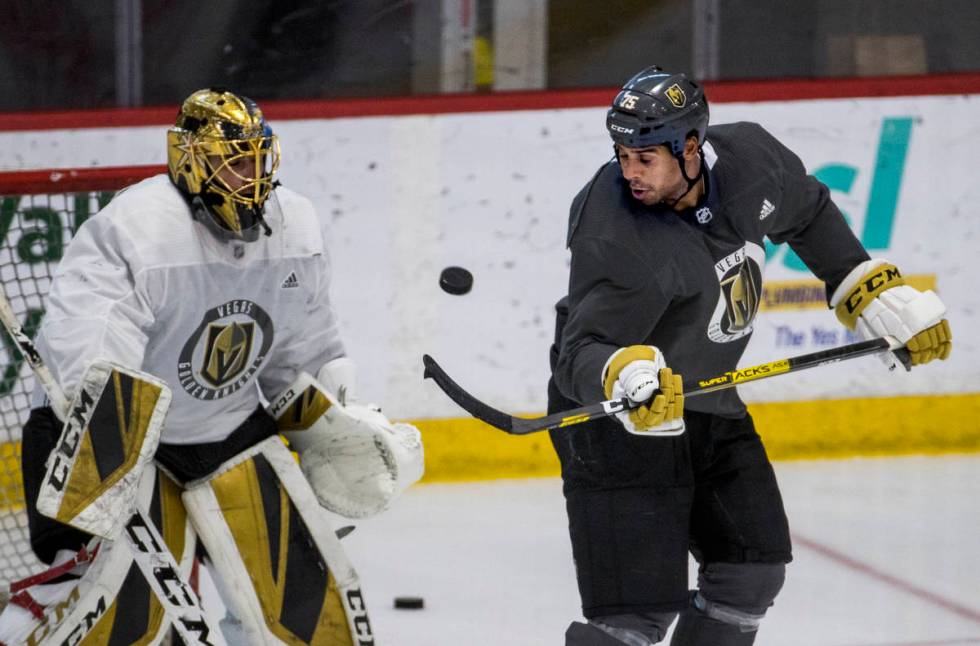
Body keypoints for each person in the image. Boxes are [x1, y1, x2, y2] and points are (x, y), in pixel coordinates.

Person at [0, 88, 423, 644]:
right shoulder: (137, 228)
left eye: (256, 158)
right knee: (109, 615)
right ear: (192, 160)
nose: (251, 176)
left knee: (309, 616)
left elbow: (301, 349)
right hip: (106, 437)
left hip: (227, 431)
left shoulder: (293, 224)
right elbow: (92, 351)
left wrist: (333, 421)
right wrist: (108, 449)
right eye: (234, 161)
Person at [549, 66, 952, 646]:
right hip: (616, 418)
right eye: (622, 155)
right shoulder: (613, 232)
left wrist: (870, 292)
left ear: (692, 146)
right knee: (634, 617)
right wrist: (626, 374)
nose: (630, 172)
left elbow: (808, 214)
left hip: (709, 401)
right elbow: (579, 352)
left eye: (645, 157)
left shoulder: (750, 162)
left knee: (750, 571)